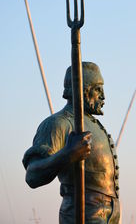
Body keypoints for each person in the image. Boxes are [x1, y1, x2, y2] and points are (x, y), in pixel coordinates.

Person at [23, 62, 120, 223]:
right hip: (82, 214)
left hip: (111, 217)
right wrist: (67, 155)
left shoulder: (94, 124)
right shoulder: (59, 123)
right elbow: (32, 175)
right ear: (82, 90)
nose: (103, 96)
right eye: (97, 89)